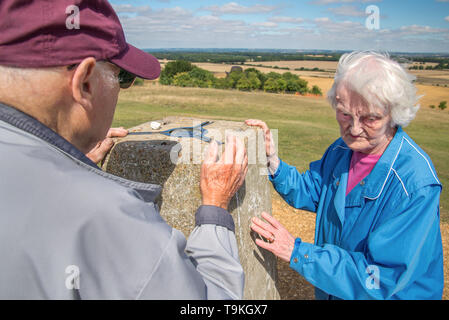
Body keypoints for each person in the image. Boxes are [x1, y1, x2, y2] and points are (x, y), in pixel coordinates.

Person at [0, 0, 248, 299]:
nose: (122, 87)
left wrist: (70, 159)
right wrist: (215, 210)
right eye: (123, 77)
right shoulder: (107, 217)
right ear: (86, 82)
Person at [247, 51, 444, 300]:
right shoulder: (342, 149)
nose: (354, 128)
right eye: (344, 114)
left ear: (394, 113)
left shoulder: (415, 184)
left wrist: (298, 252)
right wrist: (272, 162)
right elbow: (314, 191)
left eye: (370, 118)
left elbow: (379, 278)